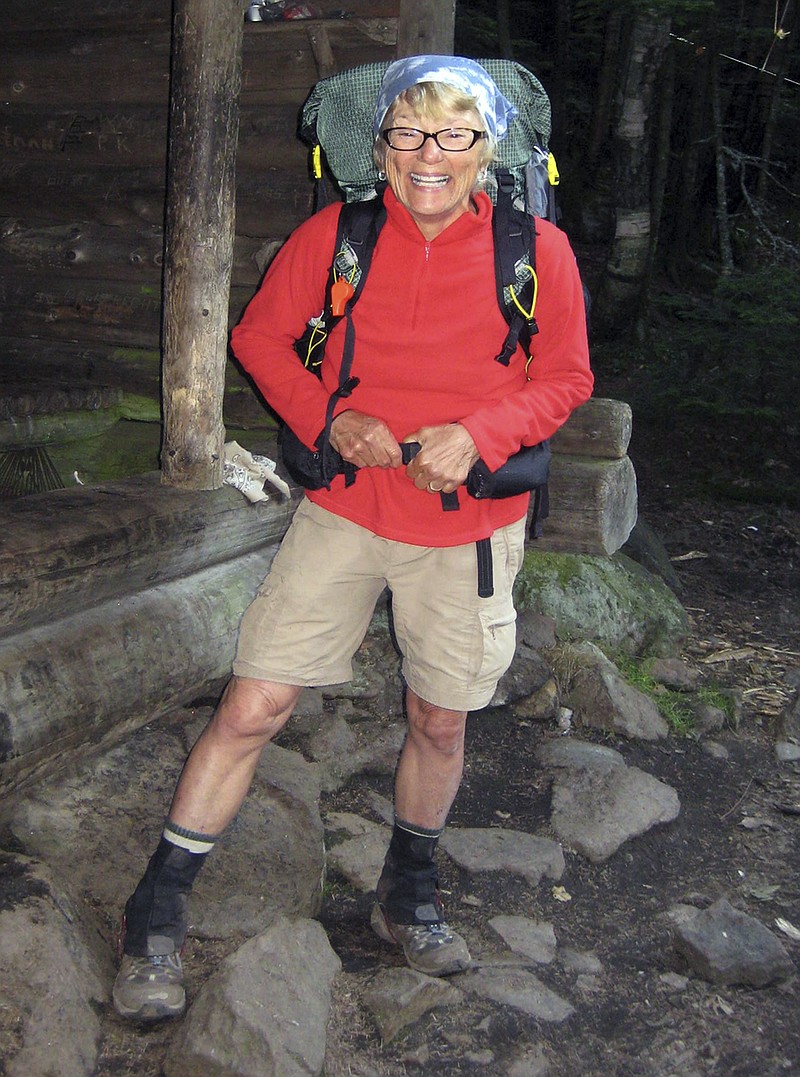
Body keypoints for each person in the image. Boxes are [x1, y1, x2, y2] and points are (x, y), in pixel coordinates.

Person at [112, 54, 593, 1022]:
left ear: (483, 149)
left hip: (468, 525)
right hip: (344, 511)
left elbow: (565, 376)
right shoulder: (337, 234)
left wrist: (477, 436)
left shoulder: (533, 251)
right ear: (377, 147)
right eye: (407, 133)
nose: (427, 155)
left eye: (452, 135)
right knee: (252, 706)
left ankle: (405, 897)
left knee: (440, 718)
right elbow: (257, 337)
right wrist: (329, 417)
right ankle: (155, 911)